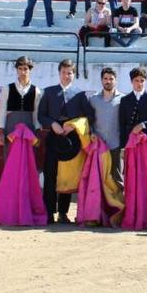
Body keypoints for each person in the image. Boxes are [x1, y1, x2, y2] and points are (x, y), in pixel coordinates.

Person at [38, 59, 94, 223]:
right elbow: (41, 115)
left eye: (69, 73)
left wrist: (74, 125)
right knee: (50, 175)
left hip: (72, 139)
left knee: (68, 175)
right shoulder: (48, 92)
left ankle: (63, 213)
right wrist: (52, 123)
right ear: (59, 73)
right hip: (54, 136)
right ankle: (49, 212)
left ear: (74, 74)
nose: (66, 76)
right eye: (64, 72)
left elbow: (90, 116)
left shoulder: (80, 94)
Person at [0, 56, 41, 151]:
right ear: (16, 70)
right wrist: (1, 131)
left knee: (27, 155)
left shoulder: (36, 90)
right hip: (11, 126)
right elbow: (2, 110)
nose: (23, 72)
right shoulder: (7, 88)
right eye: (20, 69)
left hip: (29, 126)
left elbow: (36, 112)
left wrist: (37, 130)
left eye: (25, 69)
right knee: (10, 155)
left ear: (30, 70)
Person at [89, 67, 125, 188]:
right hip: (98, 144)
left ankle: (119, 205)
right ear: (101, 80)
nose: (108, 81)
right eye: (105, 78)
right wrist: (91, 133)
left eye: (111, 78)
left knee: (117, 177)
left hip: (116, 144)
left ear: (116, 81)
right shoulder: (93, 99)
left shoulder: (123, 99)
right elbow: (88, 120)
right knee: (98, 177)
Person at [118, 67, 147, 163]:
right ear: (131, 81)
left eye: (142, 80)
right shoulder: (125, 100)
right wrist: (123, 146)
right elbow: (122, 125)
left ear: (146, 81)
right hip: (130, 142)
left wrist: (143, 125)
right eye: (136, 80)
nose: (139, 83)